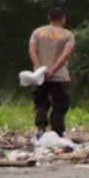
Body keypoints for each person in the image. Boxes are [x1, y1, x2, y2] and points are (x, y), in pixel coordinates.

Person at [28, 8, 75, 138]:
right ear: (62, 18)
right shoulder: (68, 35)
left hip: (40, 77)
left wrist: (39, 69)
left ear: (50, 18)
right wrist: (53, 69)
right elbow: (66, 55)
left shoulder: (37, 32)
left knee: (40, 103)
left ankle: (41, 128)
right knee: (60, 105)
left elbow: (32, 51)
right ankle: (57, 132)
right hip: (60, 76)